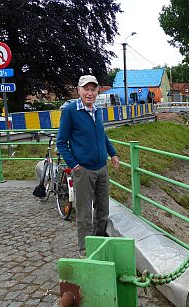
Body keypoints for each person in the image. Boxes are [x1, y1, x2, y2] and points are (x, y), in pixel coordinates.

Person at [57, 75, 120, 258]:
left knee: (103, 211)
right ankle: (85, 252)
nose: (90, 93)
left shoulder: (97, 110)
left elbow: (102, 135)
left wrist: (113, 153)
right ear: (79, 90)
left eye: (93, 89)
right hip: (83, 170)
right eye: (86, 89)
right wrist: (75, 165)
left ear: (98, 91)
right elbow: (61, 143)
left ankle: (98, 243)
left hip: (102, 168)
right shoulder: (70, 111)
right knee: (84, 215)